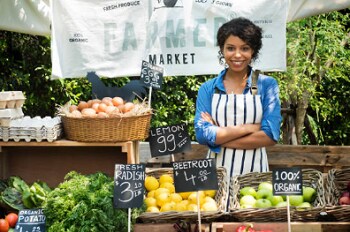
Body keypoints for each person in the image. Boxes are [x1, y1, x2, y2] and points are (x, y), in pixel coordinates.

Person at [194, 17, 282, 209]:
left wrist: (218, 136)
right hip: (214, 175)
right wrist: (249, 128)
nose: (237, 55)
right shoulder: (209, 88)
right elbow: (202, 134)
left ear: (253, 51)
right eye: (230, 48)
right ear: (222, 50)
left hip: (255, 175)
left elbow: (270, 135)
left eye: (245, 48)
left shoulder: (266, 85)